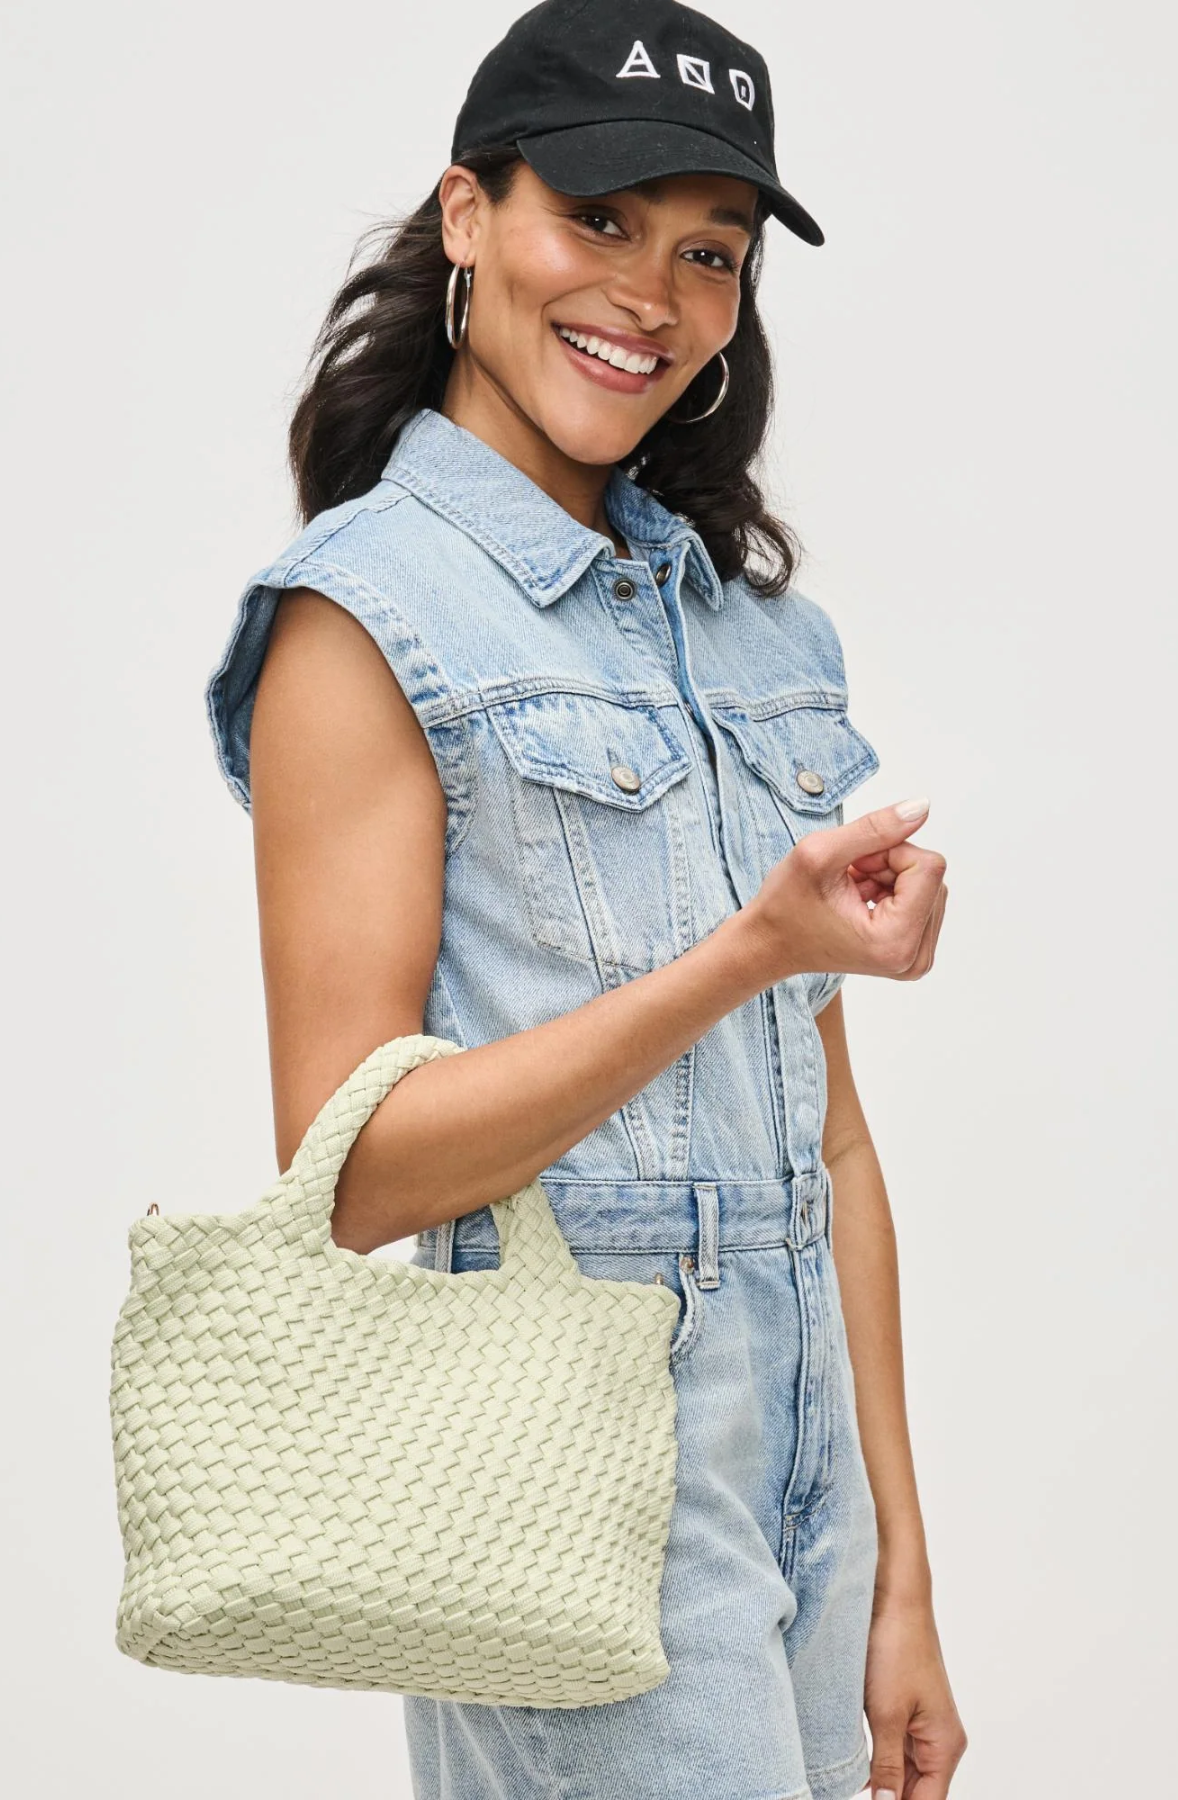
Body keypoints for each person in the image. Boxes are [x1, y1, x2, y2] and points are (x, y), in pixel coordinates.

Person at [204, 0, 965, 1794]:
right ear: (468, 217)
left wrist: (899, 1576)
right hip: (569, 1480)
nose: (652, 294)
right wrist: (744, 956)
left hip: (804, 1495)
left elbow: (830, 1152)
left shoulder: (759, 635)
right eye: (598, 222)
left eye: (709, 252)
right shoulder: (363, 618)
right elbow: (352, 1164)